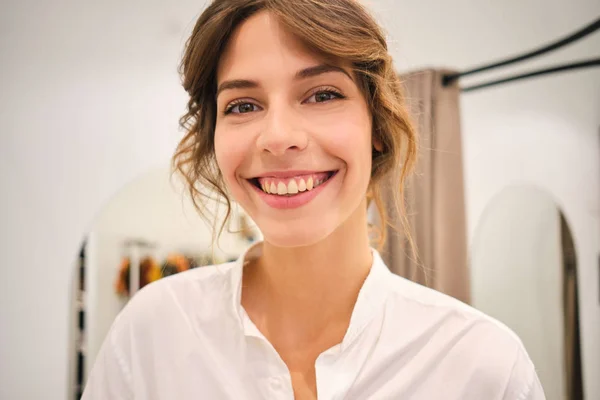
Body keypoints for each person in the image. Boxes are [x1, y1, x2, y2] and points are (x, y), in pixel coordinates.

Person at [83, 0, 545, 399]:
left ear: (378, 128)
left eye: (322, 94)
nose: (278, 137)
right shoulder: (152, 334)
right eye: (243, 105)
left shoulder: (484, 368)